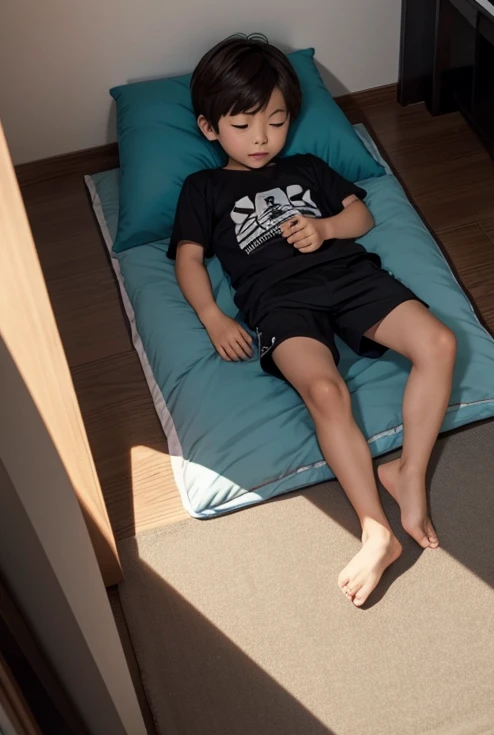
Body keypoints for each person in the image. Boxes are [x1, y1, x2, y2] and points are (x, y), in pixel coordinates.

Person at [168, 36, 457, 608]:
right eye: (243, 124)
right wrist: (212, 317)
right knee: (325, 389)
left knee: (440, 342)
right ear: (209, 128)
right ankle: (376, 529)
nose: (261, 138)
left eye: (275, 122)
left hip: (350, 275)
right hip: (278, 301)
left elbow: (361, 213)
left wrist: (324, 229)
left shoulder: (306, 167)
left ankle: (408, 473)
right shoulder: (204, 188)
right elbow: (188, 259)